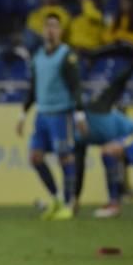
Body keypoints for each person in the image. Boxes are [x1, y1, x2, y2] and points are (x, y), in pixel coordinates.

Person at [74, 60, 133, 218]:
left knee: (108, 152)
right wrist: (75, 198)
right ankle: (117, 195)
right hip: (126, 143)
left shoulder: (97, 105)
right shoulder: (78, 136)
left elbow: (118, 83)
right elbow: (79, 169)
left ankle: (114, 203)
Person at [17, 13, 86, 220]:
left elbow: (76, 86)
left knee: (65, 158)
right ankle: (56, 198)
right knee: (35, 157)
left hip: (61, 114)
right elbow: (33, 88)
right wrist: (22, 114)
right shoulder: (38, 56)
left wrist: (80, 114)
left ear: (60, 31)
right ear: (43, 30)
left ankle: (69, 202)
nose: (51, 30)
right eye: (47, 26)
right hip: (42, 114)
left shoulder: (67, 55)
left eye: (55, 26)